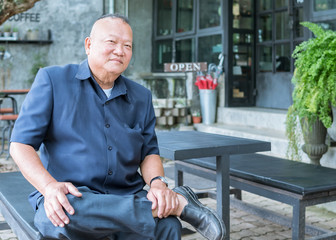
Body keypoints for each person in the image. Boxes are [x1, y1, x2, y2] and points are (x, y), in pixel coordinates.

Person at [10, 14, 225, 240]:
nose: (120, 51)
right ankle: (179, 204)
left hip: (125, 194)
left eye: (127, 45)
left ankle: (151, 209)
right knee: (61, 215)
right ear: (89, 45)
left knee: (168, 226)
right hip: (71, 195)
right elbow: (20, 144)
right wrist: (49, 187)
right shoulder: (53, 80)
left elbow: (149, 152)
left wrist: (158, 184)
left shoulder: (141, 97)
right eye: (111, 42)